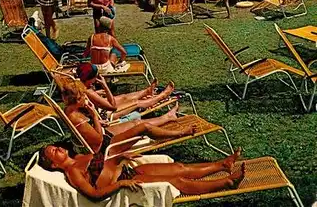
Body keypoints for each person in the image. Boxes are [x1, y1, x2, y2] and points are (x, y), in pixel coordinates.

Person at [58, 73, 196, 158]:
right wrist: (95, 117)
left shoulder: (69, 111)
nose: (85, 98)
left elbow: (90, 133)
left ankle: (168, 117)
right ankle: (181, 133)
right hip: (103, 149)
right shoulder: (77, 119)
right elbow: (99, 141)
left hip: (99, 138)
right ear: (78, 99)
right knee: (143, 127)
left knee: (135, 122)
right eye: (83, 96)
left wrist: (97, 123)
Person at [40, 145, 244, 200]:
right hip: (125, 183)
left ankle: (221, 165)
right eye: (54, 152)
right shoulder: (73, 172)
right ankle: (226, 183)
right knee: (177, 181)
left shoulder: (79, 157)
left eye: (56, 146)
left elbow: (104, 162)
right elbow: (94, 195)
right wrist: (120, 184)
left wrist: (120, 157)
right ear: (55, 165)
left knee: (179, 167)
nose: (58, 148)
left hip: (127, 170)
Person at [64, 62, 175, 119]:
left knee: (123, 97)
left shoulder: (78, 86)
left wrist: (98, 93)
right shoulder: (89, 92)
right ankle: (162, 95)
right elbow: (113, 107)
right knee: (135, 103)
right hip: (105, 116)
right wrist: (105, 86)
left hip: (97, 112)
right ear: (91, 78)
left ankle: (147, 91)